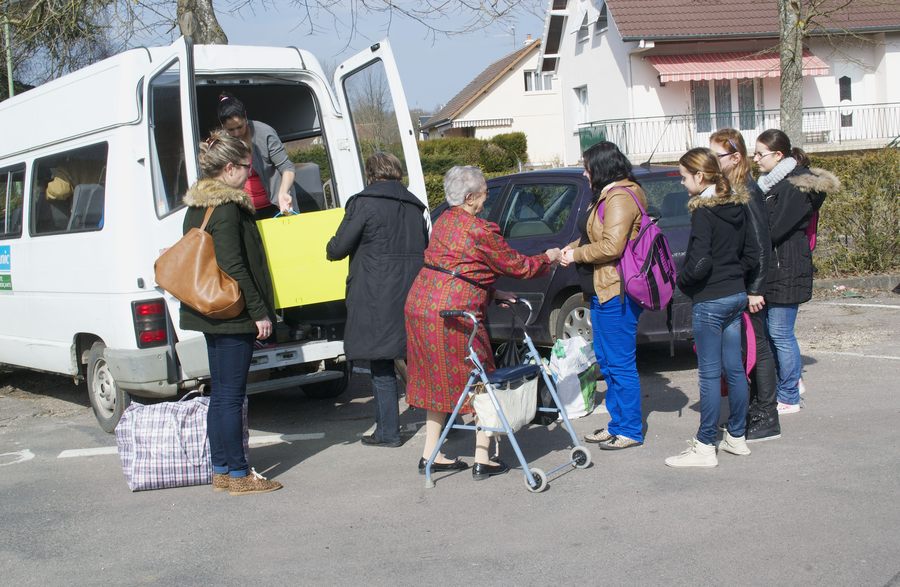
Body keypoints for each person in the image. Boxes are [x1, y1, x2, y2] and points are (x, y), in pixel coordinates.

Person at [405, 165, 561, 480]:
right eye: (484, 192)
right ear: (471, 197)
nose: (487, 197)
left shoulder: (443, 221)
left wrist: (490, 292)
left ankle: (430, 455)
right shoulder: (479, 229)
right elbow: (518, 266)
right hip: (454, 312)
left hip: (420, 304)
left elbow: (457, 267)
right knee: (480, 379)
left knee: (436, 379)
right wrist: (550, 257)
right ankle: (482, 458)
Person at [180, 130, 282, 495]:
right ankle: (238, 474)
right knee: (231, 396)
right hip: (231, 311)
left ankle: (222, 469)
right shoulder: (226, 209)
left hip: (210, 310)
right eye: (245, 165)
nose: (249, 171)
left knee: (221, 394)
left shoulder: (199, 206)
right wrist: (259, 312)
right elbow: (234, 266)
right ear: (228, 169)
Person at [326, 152, 428, 447]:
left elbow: (338, 247)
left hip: (376, 293)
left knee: (381, 362)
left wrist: (329, 246)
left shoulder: (363, 203)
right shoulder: (414, 206)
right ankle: (451, 422)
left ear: (371, 174)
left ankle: (388, 431)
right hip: (413, 290)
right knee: (421, 360)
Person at [665, 147, 759, 468]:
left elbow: (701, 260)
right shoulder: (737, 203)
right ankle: (736, 436)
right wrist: (736, 277)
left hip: (711, 299)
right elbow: (751, 252)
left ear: (700, 176)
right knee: (734, 369)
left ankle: (706, 445)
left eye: (683, 177)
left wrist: (684, 281)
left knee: (708, 374)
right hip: (735, 294)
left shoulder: (704, 211)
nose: (681, 183)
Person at [559, 141, 648, 451]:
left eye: (587, 167)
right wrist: (573, 247)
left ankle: (630, 429)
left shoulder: (622, 196)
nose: (584, 173)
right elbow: (594, 235)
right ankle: (616, 424)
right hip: (602, 288)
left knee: (620, 363)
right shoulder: (608, 195)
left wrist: (576, 255)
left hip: (617, 290)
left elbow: (612, 246)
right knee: (607, 362)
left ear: (601, 168)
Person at [753, 129, 838, 415]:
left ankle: (789, 394)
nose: (755, 159)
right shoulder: (771, 183)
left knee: (780, 333)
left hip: (786, 266)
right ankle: (789, 384)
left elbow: (775, 228)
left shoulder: (793, 187)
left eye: (760, 154)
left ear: (778, 155)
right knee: (772, 333)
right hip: (777, 266)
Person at [709, 128, 780, 442]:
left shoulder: (747, 190)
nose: (712, 160)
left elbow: (761, 244)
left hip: (753, 286)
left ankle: (767, 414)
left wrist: (756, 289)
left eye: (716, 155)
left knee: (760, 348)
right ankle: (755, 407)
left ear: (734, 157)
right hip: (741, 283)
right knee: (747, 348)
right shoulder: (732, 187)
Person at [217, 92, 296, 219]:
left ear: (246, 117)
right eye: (230, 130)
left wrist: (283, 192)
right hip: (244, 209)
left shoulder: (265, 134)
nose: (236, 133)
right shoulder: (222, 142)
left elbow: (287, 168)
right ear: (223, 126)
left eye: (240, 127)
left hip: (276, 206)